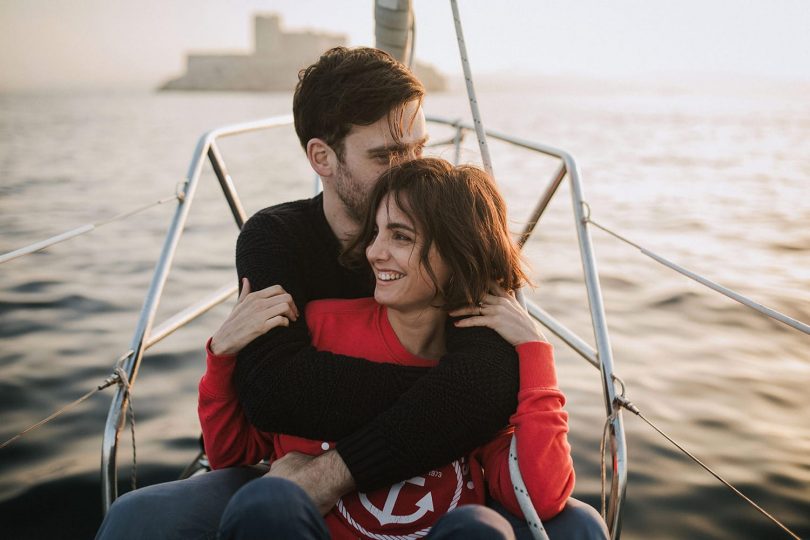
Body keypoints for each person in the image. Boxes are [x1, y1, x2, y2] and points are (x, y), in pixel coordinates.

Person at [96, 47, 606, 539]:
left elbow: (488, 384)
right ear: (322, 156)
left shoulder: (453, 237)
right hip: (297, 473)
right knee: (136, 518)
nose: (409, 168)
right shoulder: (276, 238)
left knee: (580, 525)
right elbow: (274, 390)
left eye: (418, 148)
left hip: (428, 482)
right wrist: (451, 400)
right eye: (386, 155)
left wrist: (331, 472)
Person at [199, 157, 598, 539]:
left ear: (459, 253)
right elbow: (233, 457)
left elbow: (540, 497)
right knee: (268, 502)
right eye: (376, 233)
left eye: (401, 236)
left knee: (479, 528)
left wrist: (534, 350)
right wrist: (221, 360)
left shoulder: (485, 372)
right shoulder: (321, 327)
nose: (374, 251)